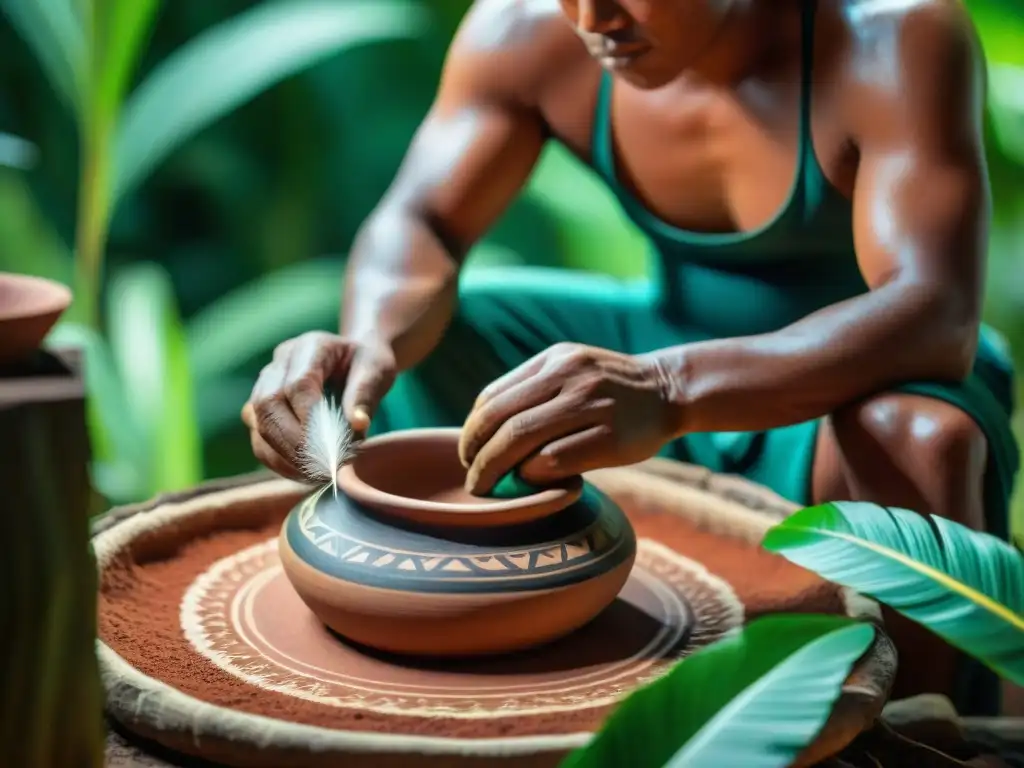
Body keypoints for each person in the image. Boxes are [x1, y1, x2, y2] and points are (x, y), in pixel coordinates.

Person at [242, 0, 1018, 714]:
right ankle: (490, 609)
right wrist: (371, 340)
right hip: (666, 341)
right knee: (447, 333)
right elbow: (423, 222)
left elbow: (934, 313)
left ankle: (918, 724)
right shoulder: (528, 28)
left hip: (844, 378)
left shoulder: (891, 35)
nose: (590, 17)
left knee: (913, 433)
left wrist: (672, 387)